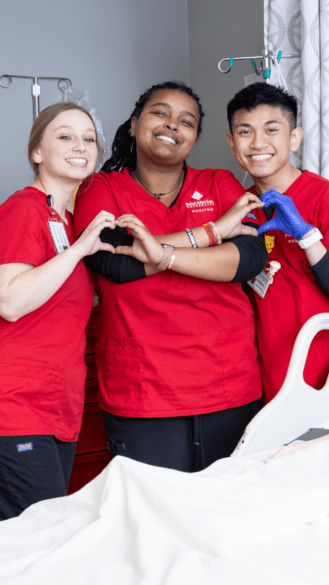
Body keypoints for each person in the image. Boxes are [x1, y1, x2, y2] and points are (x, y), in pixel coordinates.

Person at [73, 81, 268, 473]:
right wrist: (212, 234)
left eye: (187, 121)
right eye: (160, 113)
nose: (172, 125)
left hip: (228, 384)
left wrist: (158, 252)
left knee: (229, 518)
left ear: (194, 139)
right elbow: (114, 262)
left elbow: (248, 259)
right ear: (134, 123)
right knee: (153, 521)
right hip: (143, 392)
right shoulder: (100, 188)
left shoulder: (218, 183)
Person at [0, 102, 115, 520]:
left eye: (88, 138)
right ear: (36, 152)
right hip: (16, 408)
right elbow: (9, 301)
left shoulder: (67, 222)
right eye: (64, 136)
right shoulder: (24, 208)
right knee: (40, 542)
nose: (79, 145)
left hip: (55, 410)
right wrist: (83, 249)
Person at [226, 82, 329, 403]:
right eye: (245, 132)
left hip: (321, 382)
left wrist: (306, 235)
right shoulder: (237, 209)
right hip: (265, 384)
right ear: (232, 144)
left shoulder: (323, 197)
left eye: (271, 130)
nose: (258, 143)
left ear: (294, 137)